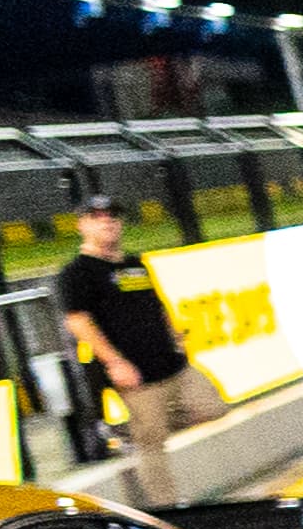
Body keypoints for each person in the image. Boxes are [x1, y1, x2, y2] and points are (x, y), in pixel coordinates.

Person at [52, 193, 223, 505]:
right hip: (135, 373)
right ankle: (167, 509)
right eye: (97, 217)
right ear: (82, 225)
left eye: (112, 216)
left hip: (171, 362)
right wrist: (115, 362)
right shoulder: (76, 273)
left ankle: (131, 432)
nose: (108, 221)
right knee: (153, 445)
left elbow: (156, 305)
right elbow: (78, 322)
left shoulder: (134, 263)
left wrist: (175, 334)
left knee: (213, 408)